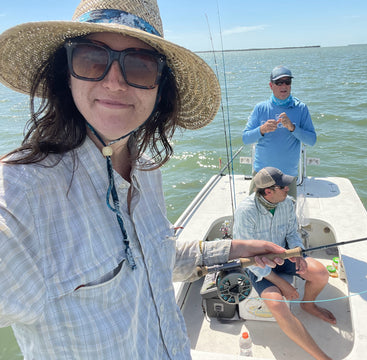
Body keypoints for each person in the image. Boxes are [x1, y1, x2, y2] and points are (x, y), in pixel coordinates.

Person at [0, 1, 286, 359]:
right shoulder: (20, 193)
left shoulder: (146, 170)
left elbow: (154, 255)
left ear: (160, 87)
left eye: (139, 65)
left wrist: (232, 249)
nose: (115, 82)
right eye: (92, 59)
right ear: (65, 73)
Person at [233, 167, 336, 360]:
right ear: (268, 192)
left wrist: (297, 254)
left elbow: (291, 233)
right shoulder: (245, 212)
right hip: (256, 266)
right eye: (283, 186)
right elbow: (247, 257)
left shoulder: (287, 203)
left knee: (320, 273)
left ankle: (308, 305)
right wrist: (282, 284)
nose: (288, 188)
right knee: (277, 304)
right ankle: (322, 357)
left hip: (283, 255)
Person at [242, 65, 317, 198]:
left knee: (287, 217)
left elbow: (311, 140)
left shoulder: (301, 108)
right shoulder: (260, 108)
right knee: (254, 215)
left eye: (287, 82)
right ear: (271, 85)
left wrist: (293, 128)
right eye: (279, 82)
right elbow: (245, 139)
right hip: (262, 174)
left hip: (287, 177)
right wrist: (262, 130)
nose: (284, 86)